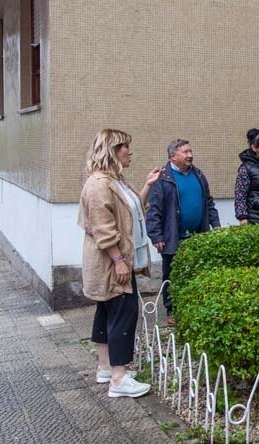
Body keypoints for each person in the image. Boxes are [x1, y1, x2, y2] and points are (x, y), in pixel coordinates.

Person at [78, 129, 161, 398]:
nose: (130, 151)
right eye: (125, 147)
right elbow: (104, 228)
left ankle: (105, 367)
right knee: (124, 313)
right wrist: (119, 260)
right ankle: (119, 377)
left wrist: (147, 185)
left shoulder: (115, 180)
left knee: (106, 312)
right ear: (112, 150)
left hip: (115, 261)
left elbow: (133, 209)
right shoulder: (99, 184)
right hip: (111, 264)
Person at [146, 139, 220, 326]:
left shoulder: (198, 175)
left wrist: (216, 225)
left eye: (190, 151)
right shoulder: (163, 178)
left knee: (197, 273)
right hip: (173, 236)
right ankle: (172, 310)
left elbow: (209, 202)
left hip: (198, 235)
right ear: (173, 157)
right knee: (172, 274)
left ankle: (193, 307)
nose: (190, 155)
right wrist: (156, 235)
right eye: (185, 152)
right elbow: (153, 209)